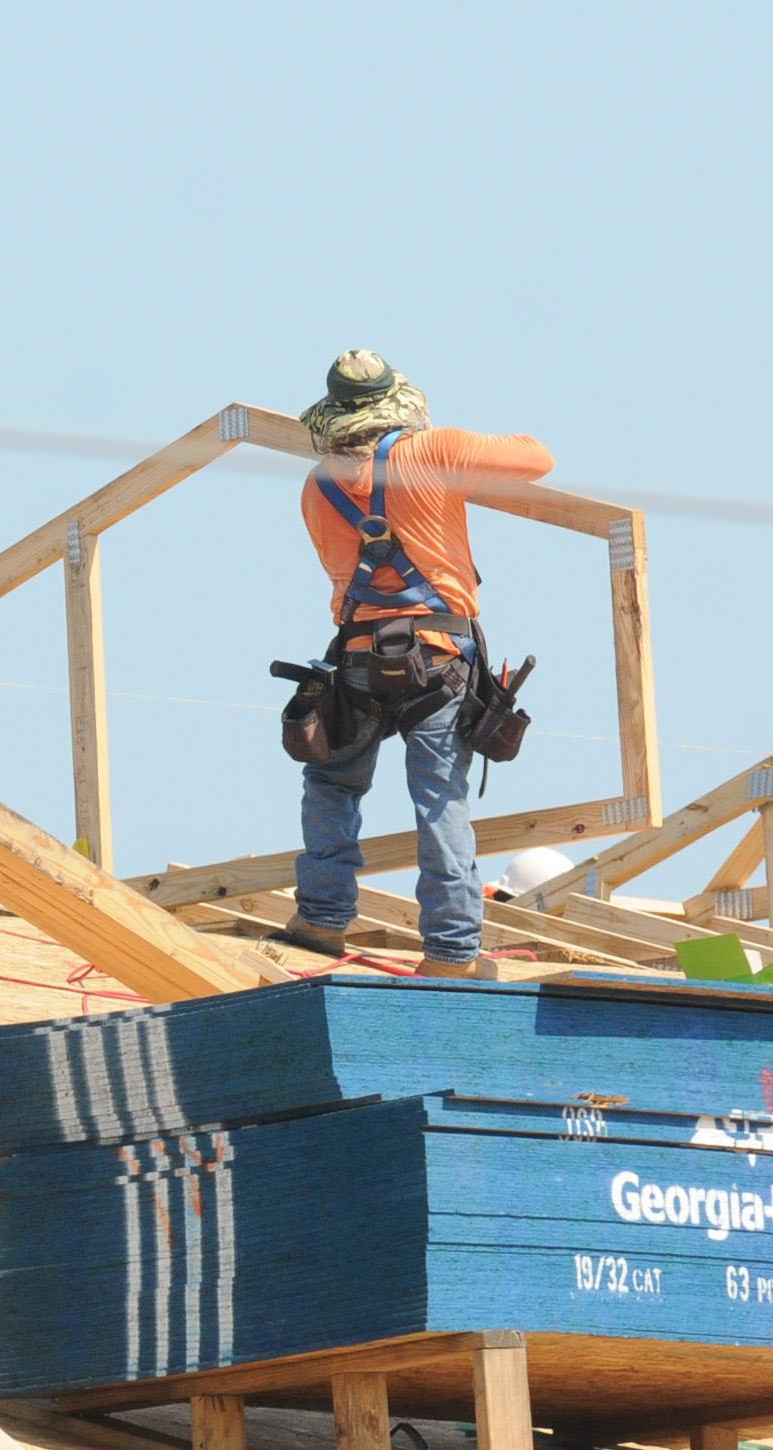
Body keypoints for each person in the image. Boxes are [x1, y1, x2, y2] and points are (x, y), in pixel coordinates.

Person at [279, 352, 552, 979]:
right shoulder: (432, 452)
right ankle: (452, 952)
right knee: (439, 801)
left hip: (357, 659)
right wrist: (443, 453)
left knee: (332, 784)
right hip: (438, 656)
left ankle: (320, 919)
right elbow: (537, 457)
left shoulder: (317, 484)